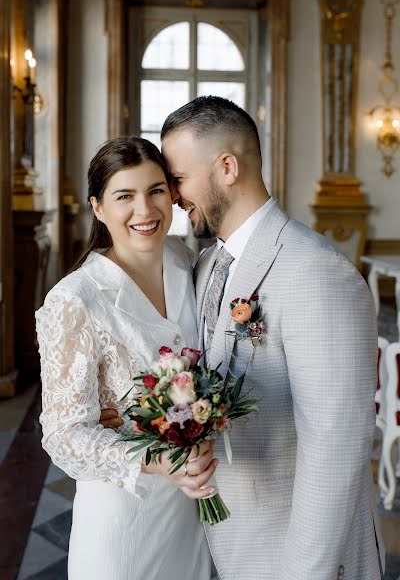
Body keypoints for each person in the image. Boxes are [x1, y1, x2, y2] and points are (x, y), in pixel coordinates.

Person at [102, 96, 385, 580]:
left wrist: (306, 572)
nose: (173, 197)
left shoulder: (316, 273)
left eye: (179, 180)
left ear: (227, 168)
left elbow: (336, 446)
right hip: (233, 538)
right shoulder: (208, 262)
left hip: (296, 553)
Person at [35, 136, 215, 580]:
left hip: (189, 513)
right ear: (98, 207)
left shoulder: (185, 262)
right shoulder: (74, 300)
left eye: (155, 190)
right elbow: (63, 435)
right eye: (124, 196)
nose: (145, 210)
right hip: (123, 515)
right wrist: (160, 462)